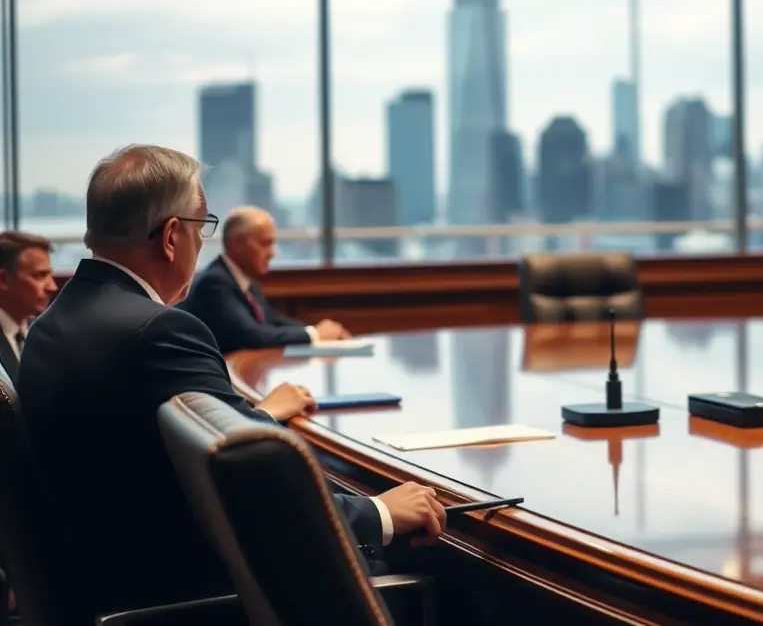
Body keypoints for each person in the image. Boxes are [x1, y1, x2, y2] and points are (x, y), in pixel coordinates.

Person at [17, 145, 445, 615]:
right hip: (189, 595)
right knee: (454, 583)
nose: (204, 247)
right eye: (204, 229)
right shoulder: (159, 330)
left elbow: (148, 446)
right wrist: (380, 512)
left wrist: (258, 416)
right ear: (172, 237)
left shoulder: (51, 324)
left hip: (98, 578)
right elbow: (259, 491)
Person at [181, 205, 350, 354]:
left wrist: (322, 331)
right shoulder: (215, 283)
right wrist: (315, 334)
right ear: (237, 244)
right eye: (265, 244)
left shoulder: (247, 280)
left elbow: (271, 321)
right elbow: (252, 336)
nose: (272, 253)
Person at [0, 231, 57, 384]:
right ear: (3, 280)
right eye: (40, 275)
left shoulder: (45, 333)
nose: (52, 287)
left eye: (50, 275)